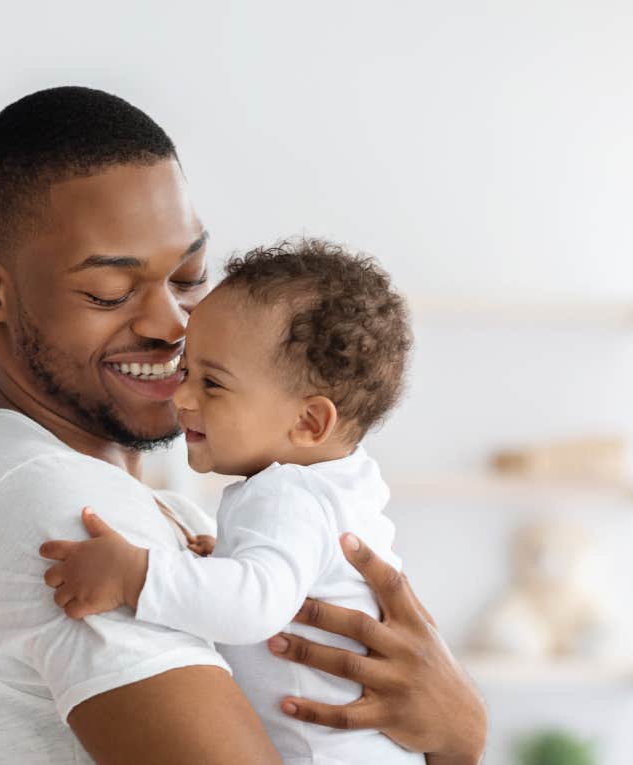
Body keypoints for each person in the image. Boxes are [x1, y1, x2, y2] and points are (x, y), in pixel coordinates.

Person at [0, 86, 486, 764]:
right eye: (110, 291)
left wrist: (453, 731)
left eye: (189, 276)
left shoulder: (175, 513)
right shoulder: (69, 514)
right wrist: (460, 738)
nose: (172, 326)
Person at [39, 238, 421, 763]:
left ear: (308, 422)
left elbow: (255, 605)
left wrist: (135, 575)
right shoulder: (338, 488)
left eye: (212, 383)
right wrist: (225, 560)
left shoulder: (289, 495)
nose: (182, 396)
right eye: (187, 371)